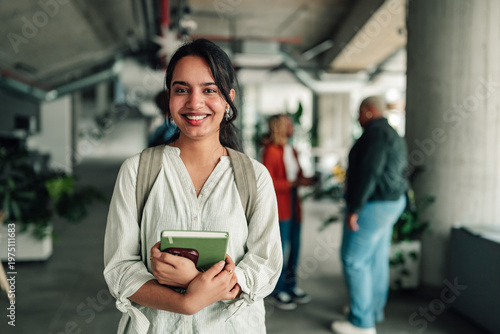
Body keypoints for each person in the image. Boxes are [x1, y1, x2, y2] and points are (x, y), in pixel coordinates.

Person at [104, 39, 282, 334]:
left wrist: (193, 282)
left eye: (209, 90)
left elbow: (265, 267)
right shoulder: (137, 171)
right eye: (181, 89)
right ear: (169, 97)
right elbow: (119, 270)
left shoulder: (254, 177)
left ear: (228, 99)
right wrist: (185, 303)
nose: (194, 102)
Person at [331, 96, 408, 334]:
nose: (357, 116)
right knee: (375, 257)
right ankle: (371, 310)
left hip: (374, 205)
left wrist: (354, 208)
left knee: (354, 260)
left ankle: (362, 323)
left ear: (369, 110)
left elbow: (369, 172)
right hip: (392, 202)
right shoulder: (390, 132)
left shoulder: (374, 134)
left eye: (360, 111)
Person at [262, 114, 315, 310]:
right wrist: (292, 183)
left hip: (294, 201)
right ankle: (277, 289)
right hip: (280, 203)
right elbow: (268, 181)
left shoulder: (291, 149)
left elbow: (297, 175)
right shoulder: (270, 151)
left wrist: (307, 180)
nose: (292, 126)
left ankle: (291, 285)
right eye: (288, 123)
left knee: (296, 245)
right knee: (280, 249)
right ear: (279, 127)